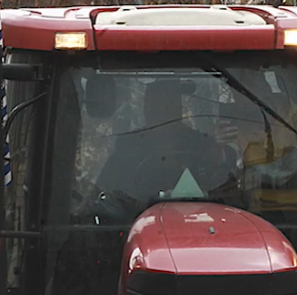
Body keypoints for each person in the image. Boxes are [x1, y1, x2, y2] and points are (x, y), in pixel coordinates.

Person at [96, 79, 236, 210]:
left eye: (169, 102)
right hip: (134, 220)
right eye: (156, 103)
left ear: (179, 108)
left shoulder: (202, 143)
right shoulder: (128, 147)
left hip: (201, 220)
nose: (162, 109)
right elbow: (106, 187)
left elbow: (224, 179)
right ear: (146, 108)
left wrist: (217, 149)